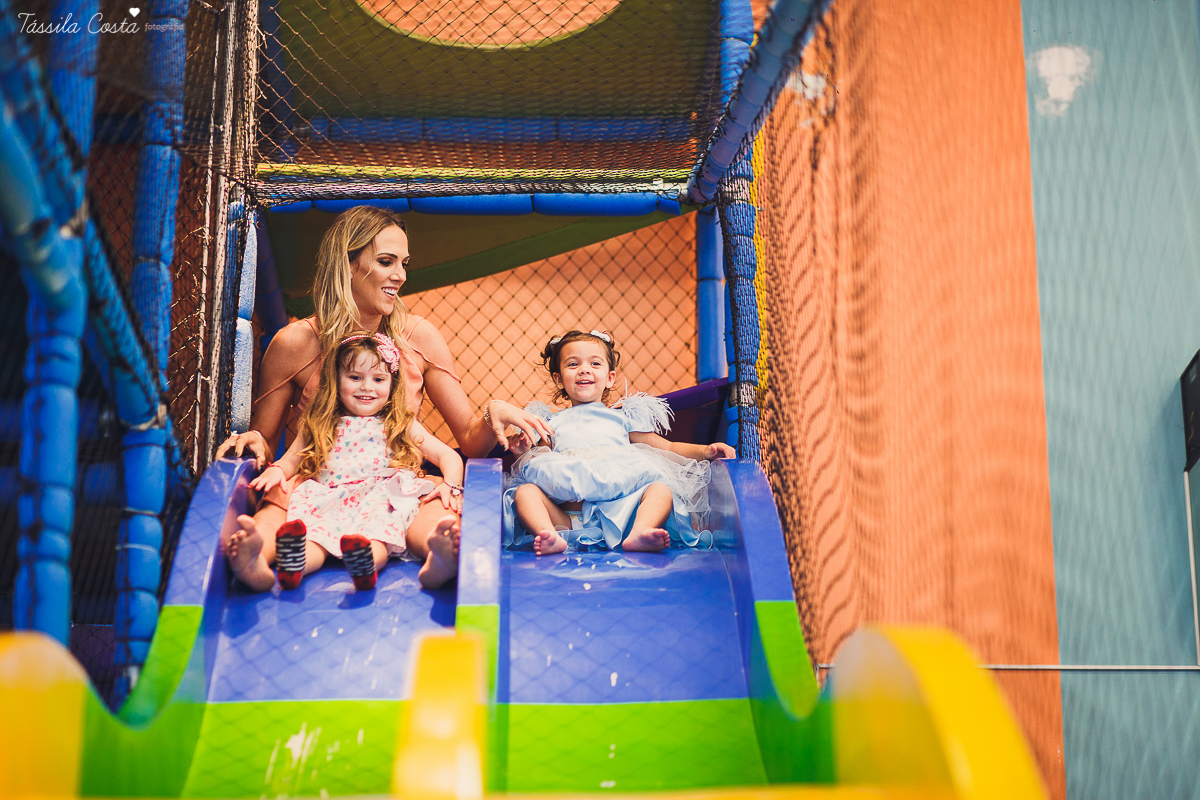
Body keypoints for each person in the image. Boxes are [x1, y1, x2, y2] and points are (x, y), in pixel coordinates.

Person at [215, 206, 553, 585]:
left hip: (390, 485)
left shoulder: (418, 337)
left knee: (431, 510)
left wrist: (494, 411)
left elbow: (469, 443)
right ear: (348, 264)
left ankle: (441, 556)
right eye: (387, 261)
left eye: (404, 263)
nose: (400, 276)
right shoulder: (294, 343)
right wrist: (254, 440)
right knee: (276, 503)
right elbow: (267, 441)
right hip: (318, 484)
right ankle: (255, 558)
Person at [235, 333, 462, 591]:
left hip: (378, 499)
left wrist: (451, 485)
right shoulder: (319, 422)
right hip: (328, 497)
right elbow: (291, 460)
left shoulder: (400, 423)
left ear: (391, 384)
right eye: (355, 378)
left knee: (376, 538)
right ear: (336, 379)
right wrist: (276, 471)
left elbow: (448, 456)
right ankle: (277, 564)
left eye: (378, 379)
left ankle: (433, 560)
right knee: (312, 540)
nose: (366, 387)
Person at [503, 329, 736, 555]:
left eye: (595, 364)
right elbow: (537, 463)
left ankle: (641, 530)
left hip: (623, 515)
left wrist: (705, 450)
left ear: (609, 377)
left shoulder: (624, 417)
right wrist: (521, 452)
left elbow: (666, 447)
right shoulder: (550, 423)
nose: (584, 370)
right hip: (568, 521)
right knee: (525, 492)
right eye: (573, 364)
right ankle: (548, 535)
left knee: (661, 489)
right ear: (559, 378)